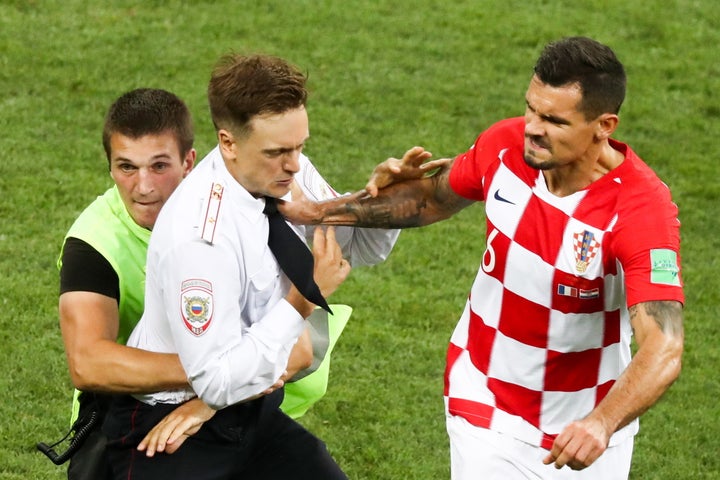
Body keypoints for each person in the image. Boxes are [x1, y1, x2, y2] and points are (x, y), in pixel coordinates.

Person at [280, 36, 684, 479]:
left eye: (553, 120)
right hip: (485, 404)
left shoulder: (641, 210)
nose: (532, 127)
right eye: (531, 108)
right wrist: (317, 211)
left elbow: (663, 345)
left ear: (604, 125)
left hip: (585, 426)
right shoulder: (507, 146)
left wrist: (602, 423)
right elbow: (431, 197)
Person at [54, 86, 398, 478]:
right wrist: (216, 370)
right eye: (127, 167)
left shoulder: (255, 198)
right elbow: (88, 364)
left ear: (189, 161)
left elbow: (300, 350)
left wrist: (217, 389)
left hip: (246, 407)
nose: (144, 186)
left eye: (160, 166)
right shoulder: (95, 242)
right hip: (144, 415)